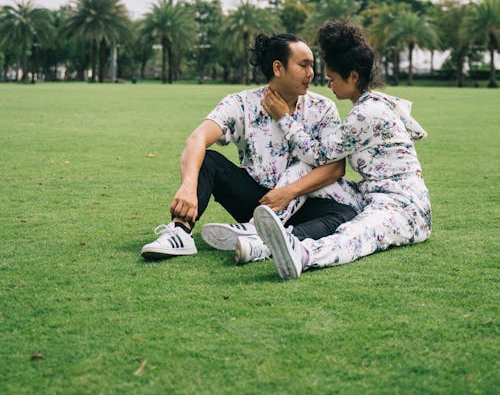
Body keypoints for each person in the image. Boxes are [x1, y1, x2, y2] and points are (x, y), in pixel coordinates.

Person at [141, 32, 361, 263]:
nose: (311, 74)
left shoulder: (322, 108)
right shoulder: (241, 104)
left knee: (345, 214)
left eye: (312, 66)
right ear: (278, 68)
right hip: (258, 201)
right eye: (303, 65)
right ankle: (179, 232)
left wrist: (289, 192)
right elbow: (198, 138)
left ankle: (272, 242)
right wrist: (188, 186)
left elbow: (336, 168)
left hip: (304, 199)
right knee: (209, 161)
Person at [255, 20, 431, 280]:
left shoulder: (368, 113)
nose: (328, 85)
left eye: (332, 79)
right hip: (367, 194)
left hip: (404, 208)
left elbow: (318, 153)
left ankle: (302, 254)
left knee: (359, 233)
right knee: (305, 172)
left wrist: (284, 118)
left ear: (353, 77)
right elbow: (313, 162)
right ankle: (255, 233)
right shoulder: (368, 105)